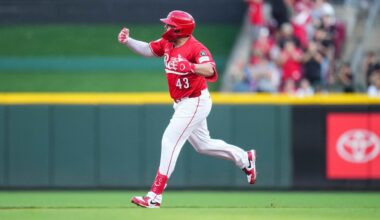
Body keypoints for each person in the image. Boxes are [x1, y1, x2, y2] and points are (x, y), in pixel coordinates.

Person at [118, 10, 257, 208]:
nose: (165, 27)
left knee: (169, 139)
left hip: (195, 101)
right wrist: (128, 41)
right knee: (204, 145)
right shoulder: (167, 42)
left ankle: (155, 196)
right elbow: (149, 50)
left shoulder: (196, 48)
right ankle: (245, 158)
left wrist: (191, 67)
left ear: (179, 30)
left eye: (169, 25)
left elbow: (210, 69)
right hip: (182, 102)